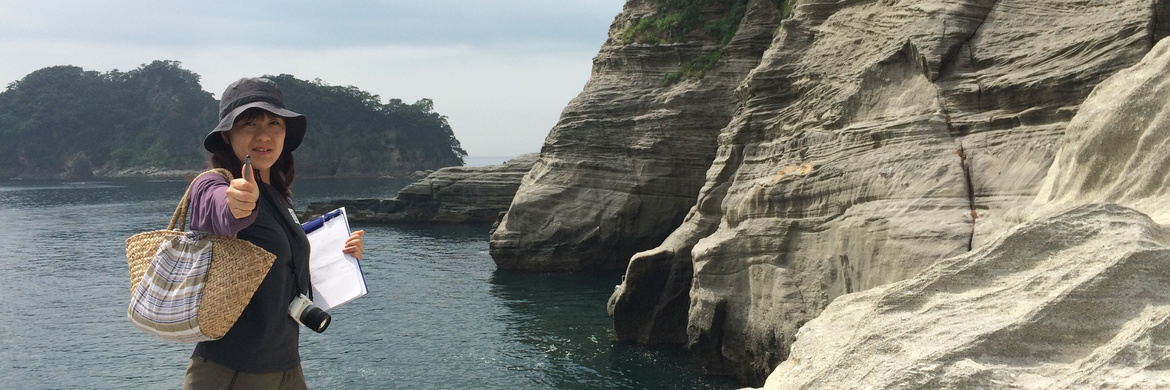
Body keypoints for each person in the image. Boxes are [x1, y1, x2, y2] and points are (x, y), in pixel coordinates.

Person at [181, 77, 365, 389]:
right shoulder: (212, 185)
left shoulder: (279, 197)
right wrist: (235, 204)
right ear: (227, 134)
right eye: (249, 123)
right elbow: (219, 212)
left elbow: (286, 273)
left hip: (286, 367)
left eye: (274, 123)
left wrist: (340, 254)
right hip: (231, 372)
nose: (264, 134)